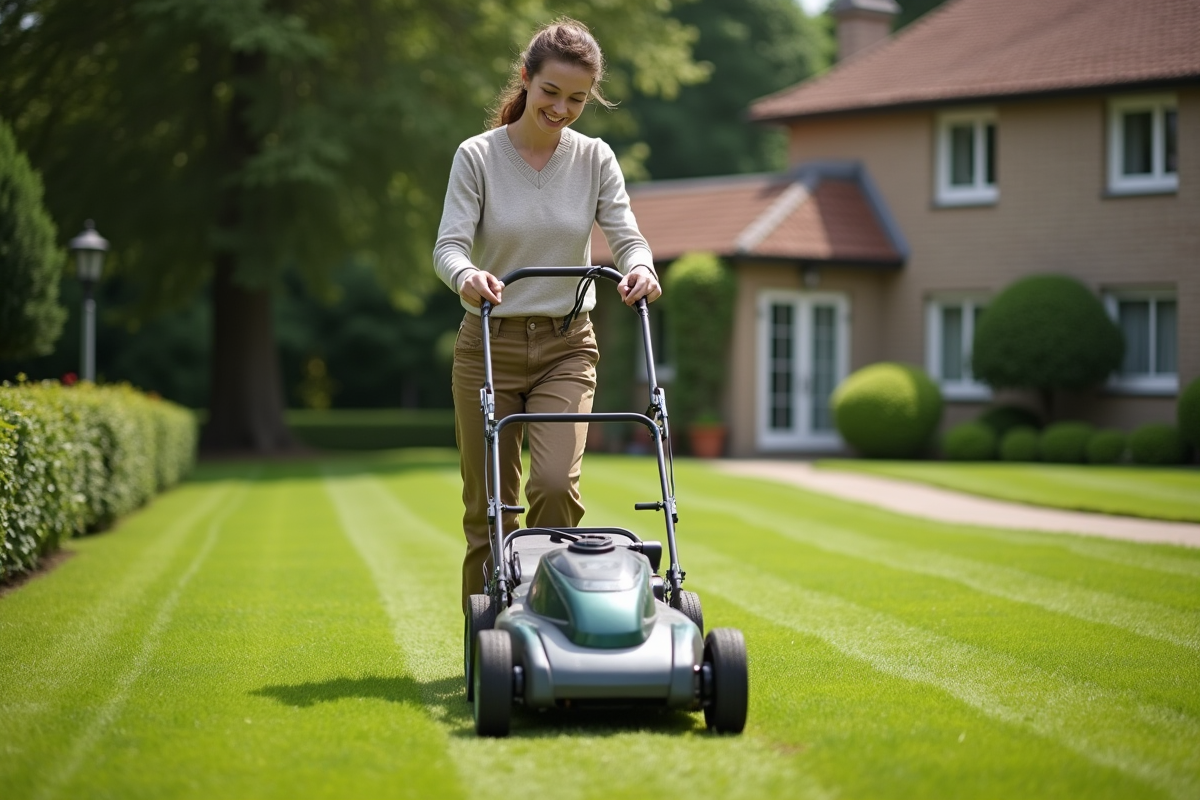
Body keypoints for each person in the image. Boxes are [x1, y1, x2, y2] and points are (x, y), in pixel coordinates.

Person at [433, 18, 660, 614]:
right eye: (551, 93)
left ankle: (553, 621)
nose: (562, 108)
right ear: (527, 80)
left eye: (578, 99)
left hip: (567, 345)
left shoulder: (595, 159)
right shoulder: (477, 157)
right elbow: (449, 247)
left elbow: (628, 238)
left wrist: (641, 268)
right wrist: (467, 276)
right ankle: (487, 641)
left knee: (556, 486)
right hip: (488, 346)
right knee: (490, 508)